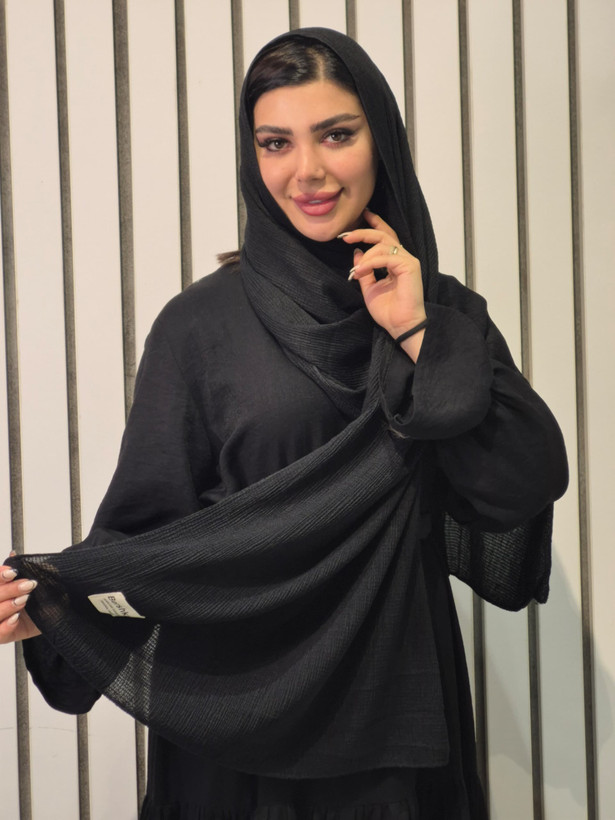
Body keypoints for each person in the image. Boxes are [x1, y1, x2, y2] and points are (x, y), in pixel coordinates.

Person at [0, 27, 567, 819]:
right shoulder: (199, 328)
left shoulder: (441, 313)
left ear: (381, 140)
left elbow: (522, 483)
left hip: (390, 705)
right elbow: (152, 529)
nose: (306, 171)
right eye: (275, 143)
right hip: (234, 711)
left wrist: (415, 332)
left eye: (335, 134)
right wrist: (58, 605)